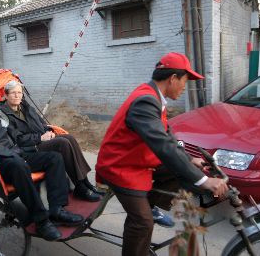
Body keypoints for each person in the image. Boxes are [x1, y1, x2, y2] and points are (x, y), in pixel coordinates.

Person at [96, 52, 229, 256]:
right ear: (173, 78)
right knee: (142, 223)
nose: (185, 87)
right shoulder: (146, 101)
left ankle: (149, 204)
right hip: (119, 166)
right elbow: (163, 146)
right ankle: (144, 216)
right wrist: (204, 181)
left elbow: (167, 137)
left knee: (183, 168)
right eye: (184, 81)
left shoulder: (153, 97)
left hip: (135, 159)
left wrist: (190, 160)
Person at [0, 81, 84, 241]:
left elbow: (12, 134)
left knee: (54, 158)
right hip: (0, 163)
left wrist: (33, 141)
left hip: (16, 153)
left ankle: (57, 209)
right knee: (19, 165)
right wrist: (13, 154)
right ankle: (41, 220)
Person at [0, 81, 101, 202]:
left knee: (69, 138)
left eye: (19, 92)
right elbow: (17, 139)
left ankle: (86, 182)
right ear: (5, 95)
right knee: (63, 143)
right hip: (30, 147)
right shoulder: (4, 114)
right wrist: (40, 138)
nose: (17, 96)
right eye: (13, 93)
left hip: (41, 140)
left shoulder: (26, 107)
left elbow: (41, 124)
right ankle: (80, 187)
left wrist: (49, 131)